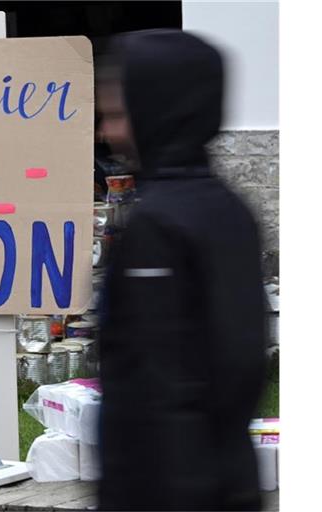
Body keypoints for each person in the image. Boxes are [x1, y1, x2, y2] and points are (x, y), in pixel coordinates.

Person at [96, 29, 268, 511]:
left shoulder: (160, 223)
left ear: (158, 112)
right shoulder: (228, 208)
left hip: (168, 489)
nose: (106, 133)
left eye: (115, 113)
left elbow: (151, 386)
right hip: (226, 478)